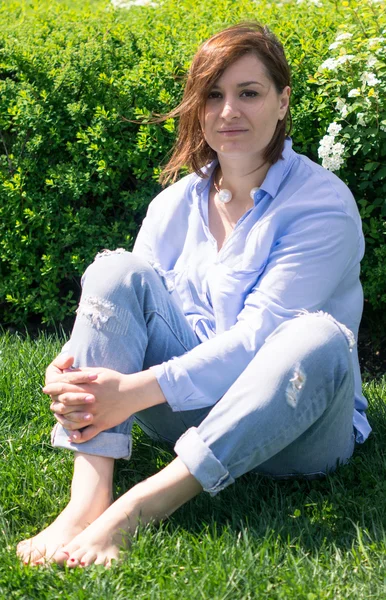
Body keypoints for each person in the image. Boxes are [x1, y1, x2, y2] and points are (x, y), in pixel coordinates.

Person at [17, 21, 371, 568]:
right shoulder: (175, 203)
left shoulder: (321, 206)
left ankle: (138, 508)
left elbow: (258, 341)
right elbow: (126, 311)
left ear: (282, 102)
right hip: (187, 407)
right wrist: (71, 370)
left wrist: (130, 392)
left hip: (295, 427)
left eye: (248, 93)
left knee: (316, 336)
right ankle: (86, 502)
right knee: (116, 270)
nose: (228, 111)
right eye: (213, 95)